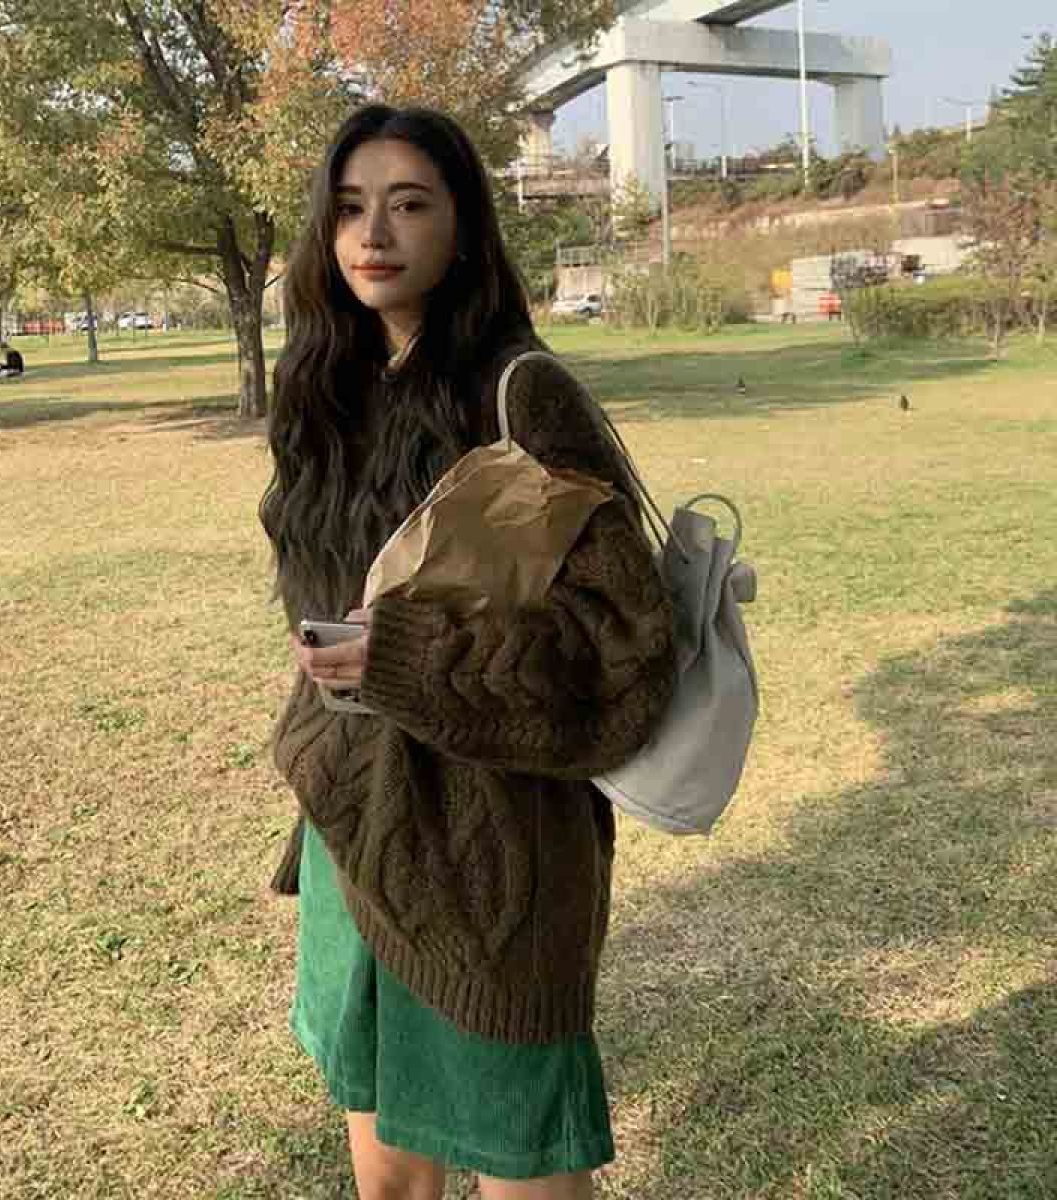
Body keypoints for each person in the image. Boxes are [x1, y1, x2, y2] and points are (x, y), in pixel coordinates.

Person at [260, 104, 678, 1200]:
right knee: (389, 1176)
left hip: (491, 856)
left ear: (463, 228)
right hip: (356, 834)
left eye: (408, 204)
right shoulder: (329, 391)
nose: (373, 234)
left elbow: (626, 648)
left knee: (519, 1166)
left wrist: (406, 656)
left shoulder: (522, 394)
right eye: (349, 208)